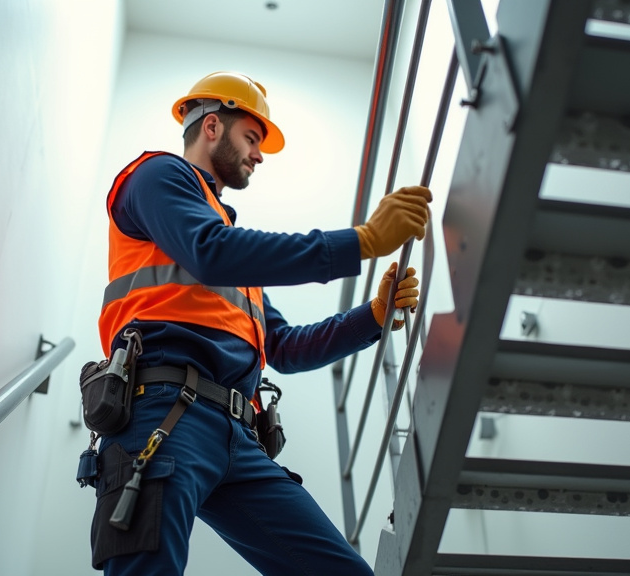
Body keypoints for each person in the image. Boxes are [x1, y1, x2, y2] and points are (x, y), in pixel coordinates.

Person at [90, 71, 432, 575]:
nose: (259, 154)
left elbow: (286, 348)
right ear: (211, 126)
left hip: (239, 437)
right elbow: (211, 252)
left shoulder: (229, 247)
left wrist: (373, 317)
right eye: (251, 137)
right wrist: (359, 241)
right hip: (162, 413)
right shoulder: (157, 177)